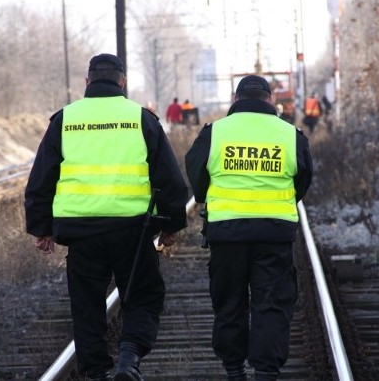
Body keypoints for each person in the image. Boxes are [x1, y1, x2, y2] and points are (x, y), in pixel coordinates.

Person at [25, 53, 189, 381]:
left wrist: (41, 228)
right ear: (122, 82)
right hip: (133, 230)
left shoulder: (65, 120)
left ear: (87, 82)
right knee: (143, 296)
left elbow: (42, 177)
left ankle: (95, 374)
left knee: (87, 308)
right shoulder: (142, 119)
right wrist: (171, 226)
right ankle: (128, 359)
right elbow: (169, 179)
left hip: (81, 232)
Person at [184, 75, 313, 381]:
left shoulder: (214, 132)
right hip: (274, 234)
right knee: (272, 304)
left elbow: (196, 175)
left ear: (235, 99)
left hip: (226, 234)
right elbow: (303, 180)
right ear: (270, 100)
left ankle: (233, 370)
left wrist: (209, 197)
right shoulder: (290, 135)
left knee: (229, 302)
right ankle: (266, 373)